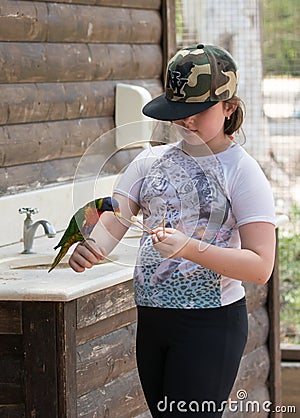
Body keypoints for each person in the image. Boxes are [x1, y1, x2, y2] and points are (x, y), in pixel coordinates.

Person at [69, 44, 276, 417]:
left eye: (199, 112)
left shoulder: (242, 172)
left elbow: (261, 266)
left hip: (209, 325)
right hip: (152, 320)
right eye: (179, 113)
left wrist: (188, 249)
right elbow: (113, 224)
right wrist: (89, 249)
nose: (187, 122)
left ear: (229, 107)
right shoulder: (149, 161)